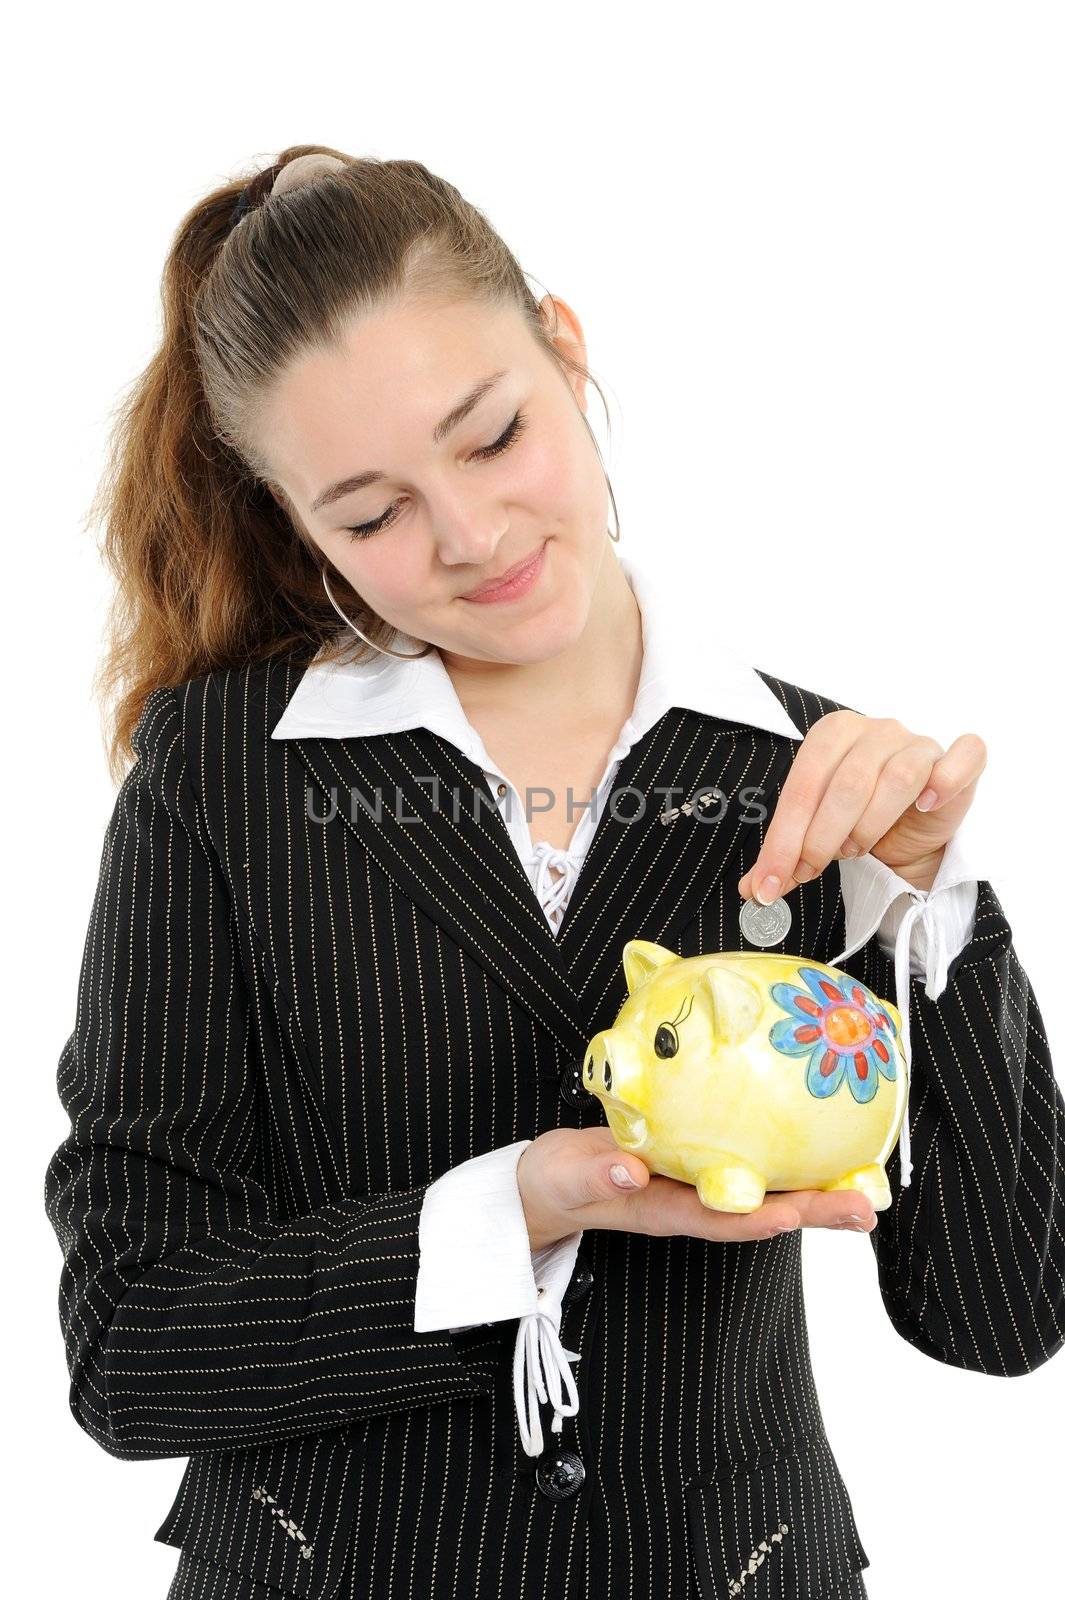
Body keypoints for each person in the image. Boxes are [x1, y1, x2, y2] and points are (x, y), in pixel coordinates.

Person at [44, 145, 1065, 1600]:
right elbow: (134, 1349)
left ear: (564, 353)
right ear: (292, 522)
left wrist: (934, 905)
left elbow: (999, 1312)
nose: (470, 537)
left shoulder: (818, 783)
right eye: (370, 513)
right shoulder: (224, 773)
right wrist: (514, 1206)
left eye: (490, 434)